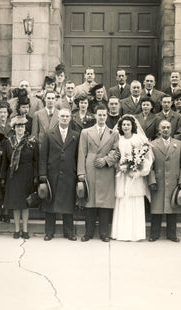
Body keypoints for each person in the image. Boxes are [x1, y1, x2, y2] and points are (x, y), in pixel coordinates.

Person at [77, 104, 120, 242]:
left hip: (106, 170)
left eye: (104, 115)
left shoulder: (113, 133)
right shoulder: (86, 132)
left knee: (105, 204)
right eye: (99, 115)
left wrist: (106, 160)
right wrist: (81, 173)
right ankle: (88, 233)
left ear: (107, 116)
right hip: (90, 168)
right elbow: (81, 153)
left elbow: (116, 151)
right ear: (95, 116)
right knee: (89, 202)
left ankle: (104, 233)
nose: (101, 117)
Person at [39, 108, 80, 241]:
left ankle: (69, 232)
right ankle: (49, 232)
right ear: (58, 118)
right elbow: (43, 156)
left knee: (68, 203)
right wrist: (43, 174)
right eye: (62, 116)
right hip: (52, 174)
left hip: (69, 175)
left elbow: (77, 156)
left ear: (70, 118)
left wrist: (78, 173)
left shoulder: (75, 135)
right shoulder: (49, 134)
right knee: (50, 203)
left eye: (67, 116)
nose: (64, 118)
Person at [111, 115, 153, 241]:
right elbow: (115, 156)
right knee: (122, 201)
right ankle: (121, 233)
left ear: (133, 126)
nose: (126, 127)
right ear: (121, 126)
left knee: (135, 202)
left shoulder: (139, 139)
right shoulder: (119, 139)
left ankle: (136, 234)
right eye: (124, 125)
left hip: (135, 176)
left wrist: (139, 171)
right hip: (122, 175)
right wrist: (119, 166)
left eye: (128, 124)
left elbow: (147, 158)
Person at [148, 120, 181, 242]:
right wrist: (152, 180)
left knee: (172, 208)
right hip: (158, 180)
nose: (165, 129)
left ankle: (172, 234)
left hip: (173, 181)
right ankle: (154, 234)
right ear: (159, 130)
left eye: (168, 127)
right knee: (157, 208)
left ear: (171, 129)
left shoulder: (179, 144)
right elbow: (150, 165)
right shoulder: (153, 144)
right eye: (163, 127)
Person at [2, 117, 38, 239]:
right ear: (14, 128)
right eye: (18, 126)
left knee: (25, 203)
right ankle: (17, 229)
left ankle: (25, 229)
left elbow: (36, 161)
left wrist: (35, 176)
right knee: (16, 203)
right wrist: (2, 177)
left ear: (25, 128)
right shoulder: (8, 142)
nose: (20, 129)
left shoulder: (31, 142)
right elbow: (4, 162)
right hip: (13, 175)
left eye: (22, 126)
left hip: (27, 174)